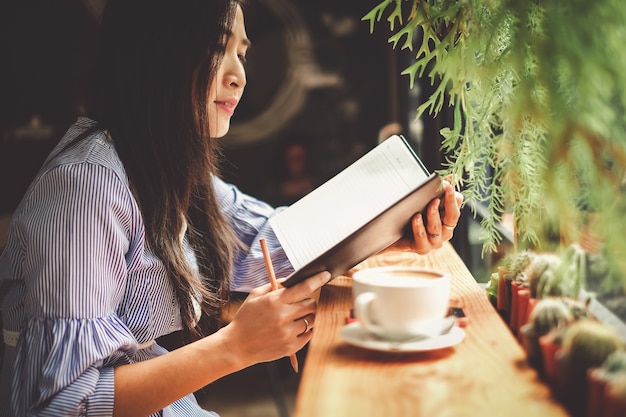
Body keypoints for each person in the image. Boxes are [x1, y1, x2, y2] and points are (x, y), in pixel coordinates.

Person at [0, 0, 463, 416]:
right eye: (218, 48)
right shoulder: (87, 186)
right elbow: (61, 404)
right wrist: (234, 348)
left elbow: (275, 240)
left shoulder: (167, 167)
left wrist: (388, 232)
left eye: (243, 53)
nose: (239, 74)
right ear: (157, 52)